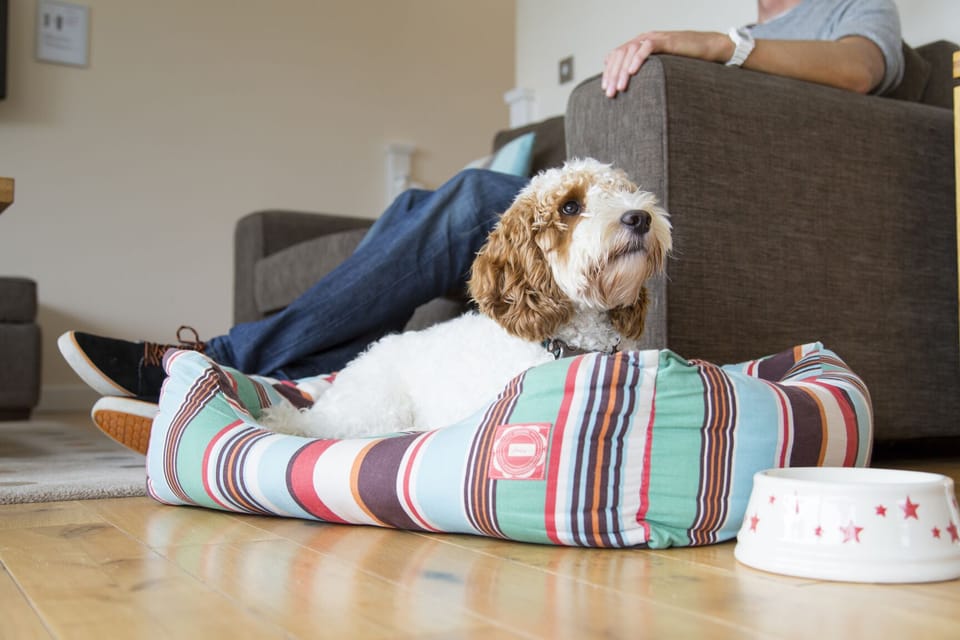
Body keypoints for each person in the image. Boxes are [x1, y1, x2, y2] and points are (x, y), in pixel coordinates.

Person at [59, 0, 905, 449]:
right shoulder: (754, 17)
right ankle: (266, 385)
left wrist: (718, 46)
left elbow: (864, 70)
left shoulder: (840, 10)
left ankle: (224, 367)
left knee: (463, 198)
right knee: (418, 211)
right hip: (558, 253)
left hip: (715, 205)